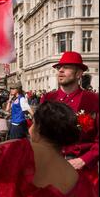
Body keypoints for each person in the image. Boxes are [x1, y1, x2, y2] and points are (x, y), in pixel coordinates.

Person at [40, 51, 98, 187]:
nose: (60, 70)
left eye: (66, 67)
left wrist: (84, 160)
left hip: (83, 172)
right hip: (52, 169)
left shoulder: (93, 100)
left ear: (78, 74)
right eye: (59, 67)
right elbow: (39, 134)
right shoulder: (48, 98)